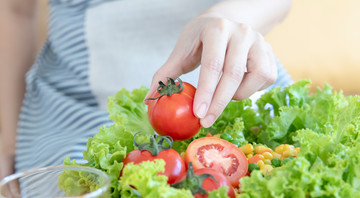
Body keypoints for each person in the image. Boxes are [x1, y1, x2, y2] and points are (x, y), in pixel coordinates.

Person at [0, 0, 293, 180]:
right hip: (74, 112)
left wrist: (228, 15)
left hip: (237, 73)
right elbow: (14, 9)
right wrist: (6, 146)